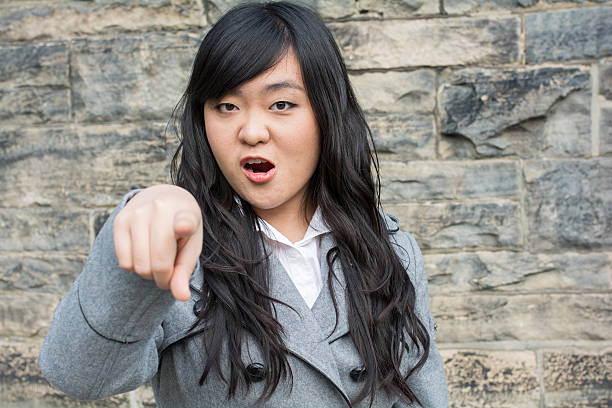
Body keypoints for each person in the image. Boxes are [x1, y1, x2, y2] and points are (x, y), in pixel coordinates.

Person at [38, 2, 448, 407]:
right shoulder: (183, 251)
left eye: (281, 105)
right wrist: (141, 226)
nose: (251, 132)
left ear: (327, 114)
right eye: (226, 107)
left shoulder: (391, 250)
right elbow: (79, 376)